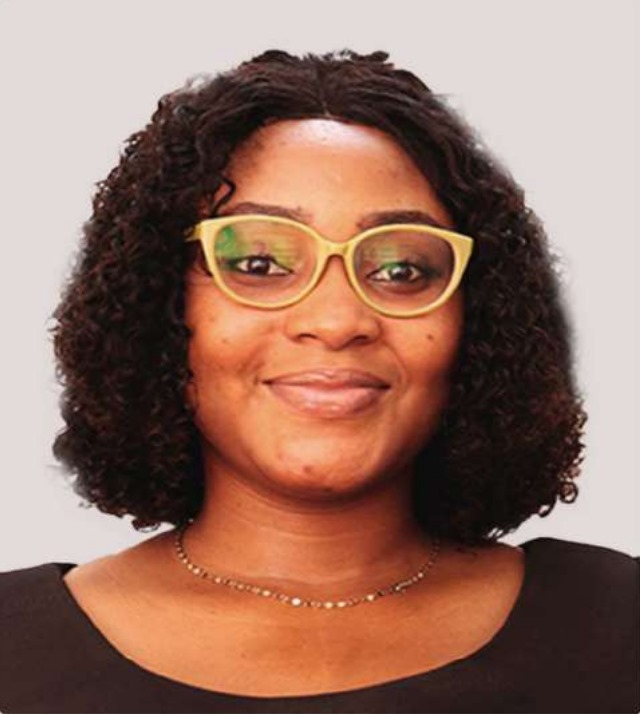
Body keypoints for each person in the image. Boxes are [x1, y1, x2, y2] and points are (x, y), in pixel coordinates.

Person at [0, 49, 637, 714]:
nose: (336, 320)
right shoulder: (13, 650)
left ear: (475, 321)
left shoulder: (615, 627)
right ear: (162, 304)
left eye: (401, 270)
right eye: (257, 261)